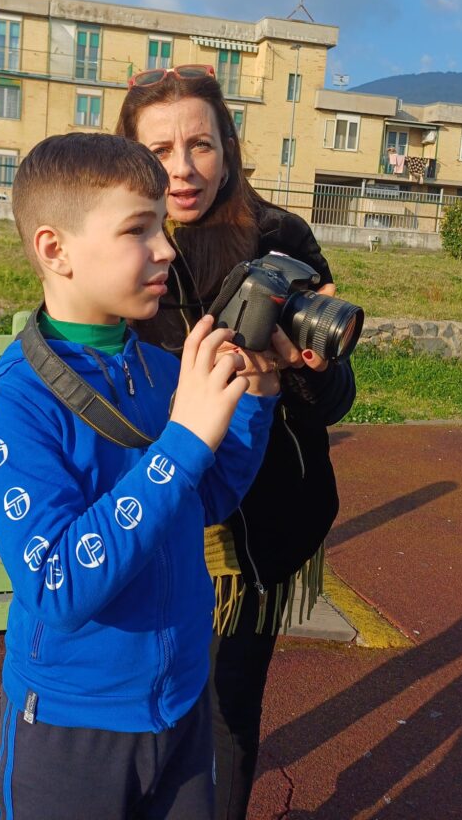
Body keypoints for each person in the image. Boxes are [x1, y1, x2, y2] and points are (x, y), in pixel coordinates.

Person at [0, 132, 282, 820]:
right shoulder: (12, 406)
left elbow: (209, 499)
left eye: (162, 225)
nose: (166, 248)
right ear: (56, 250)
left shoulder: (163, 370)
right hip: (72, 723)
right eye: (138, 229)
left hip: (181, 700)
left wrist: (254, 399)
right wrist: (183, 441)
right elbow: (56, 584)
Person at [116, 67, 357, 820]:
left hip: (256, 530)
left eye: (201, 145)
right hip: (153, 512)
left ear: (230, 147)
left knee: (225, 707)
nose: (182, 169)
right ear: (129, 156)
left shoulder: (280, 238)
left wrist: (299, 373)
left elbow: (338, 396)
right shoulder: (114, 241)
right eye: (158, 149)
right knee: (139, 698)